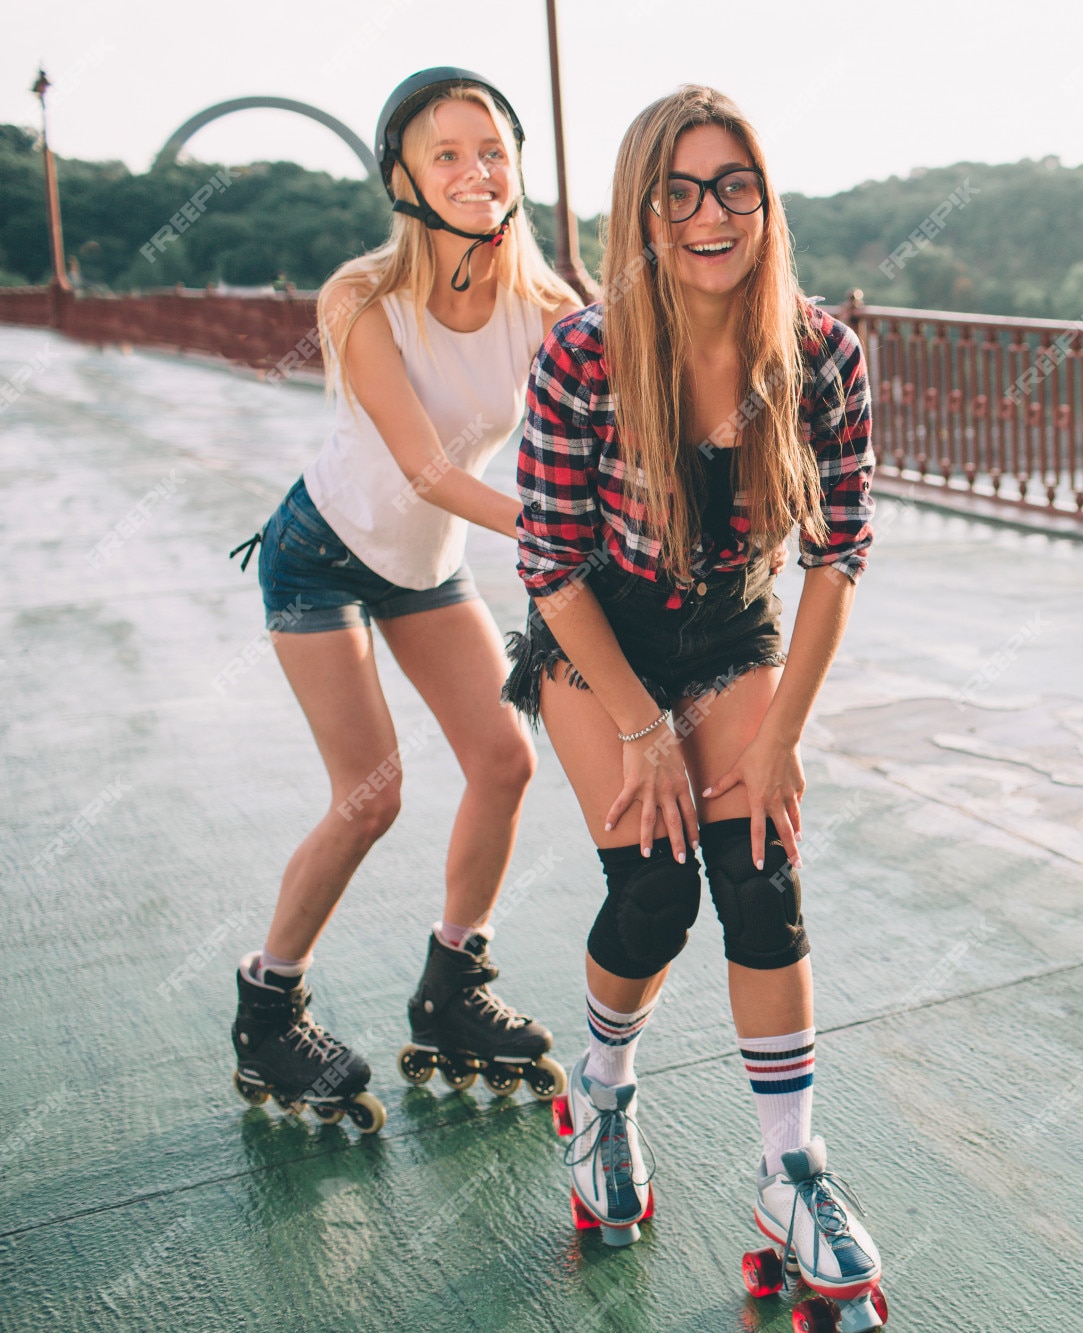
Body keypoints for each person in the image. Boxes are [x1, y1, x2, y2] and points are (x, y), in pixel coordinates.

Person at [504, 86, 885, 1317]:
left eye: (732, 185)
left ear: (765, 203)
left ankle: (790, 1175)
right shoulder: (584, 354)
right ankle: (601, 1093)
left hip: (729, 630)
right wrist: (637, 726)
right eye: (677, 191)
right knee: (658, 888)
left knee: (762, 876)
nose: (708, 214)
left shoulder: (820, 352)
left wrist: (777, 740)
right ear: (641, 212)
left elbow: (835, 556)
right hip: (597, 633)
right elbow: (549, 563)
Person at [224, 68, 580, 1132]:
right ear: (403, 177)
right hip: (321, 552)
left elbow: (635, 380)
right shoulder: (360, 297)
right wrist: (568, 532)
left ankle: (451, 989)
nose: (477, 171)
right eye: (447, 154)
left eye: (492, 151)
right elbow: (424, 470)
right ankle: (268, 1002)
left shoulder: (550, 308)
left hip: (424, 568)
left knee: (504, 757)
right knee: (370, 793)